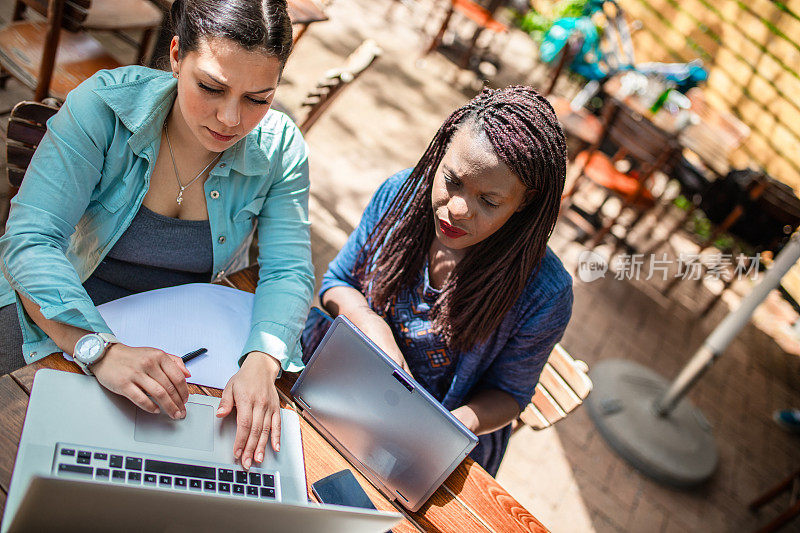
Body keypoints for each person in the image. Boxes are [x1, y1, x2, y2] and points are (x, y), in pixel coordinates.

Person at [0, 0, 313, 471]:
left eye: (258, 98)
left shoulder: (280, 148)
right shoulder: (105, 106)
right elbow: (30, 241)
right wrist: (98, 349)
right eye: (210, 86)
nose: (230, 118)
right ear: (174, 55)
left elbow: (288, 269)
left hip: (178, 355)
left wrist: (262, 363)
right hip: (48, 322)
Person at [307, 86, 573, 476]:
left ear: (525, 202)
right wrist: (370, 324)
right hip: (353, 378)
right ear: (443, 151)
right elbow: (337, 283)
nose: (458, 209)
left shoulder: (545, 294)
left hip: (435, 434)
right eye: (452, 180)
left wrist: (442, 428)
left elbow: (511, 395)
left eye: (489, 201)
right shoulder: (401, 195)